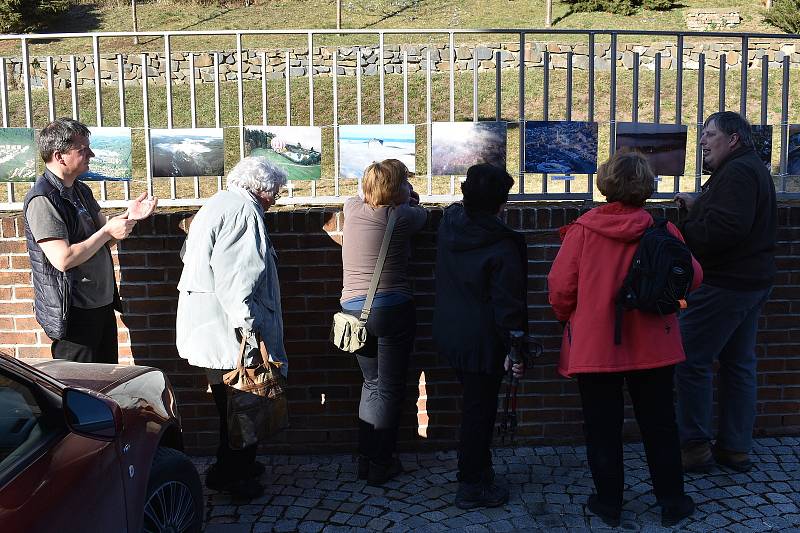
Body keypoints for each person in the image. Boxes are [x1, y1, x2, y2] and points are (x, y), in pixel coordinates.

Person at [548, 152, 702, 527]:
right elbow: (693, 276)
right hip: (654, 343)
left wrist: (570, 317)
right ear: (647, 186)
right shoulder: (662, 229)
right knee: (660, 425)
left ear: (605, 184)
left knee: (602, 428)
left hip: (597, 344)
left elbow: (560, 288)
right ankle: (672, 501)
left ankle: (608, 503)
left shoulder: (584, 230)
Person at [176, 156, 288, 499]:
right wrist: (251, 333)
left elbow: (188, 255)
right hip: (230, 331)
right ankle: (234, 475)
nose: (276, 200)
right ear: (262, 190)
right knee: (243, 403)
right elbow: (237, 282)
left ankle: (229, 467)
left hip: (210, 324)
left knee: (229, 405)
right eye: (276, 193)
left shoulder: (218, 202)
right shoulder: (243, 213)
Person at [674, 111, 777, 473]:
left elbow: (726, 230)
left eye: (709, 134)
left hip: (726, 283)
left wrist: (684, 229)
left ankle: (694, 448)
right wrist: (703, 205)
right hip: (751, 281)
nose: (702, 141)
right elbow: (735, 220)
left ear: (733, 139)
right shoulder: (748, 168)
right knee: (738, 365)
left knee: (690, 360)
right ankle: (735, 448)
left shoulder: (736, 173)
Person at [23, 118, 157, 363]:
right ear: (59, 156)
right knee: (81, 389)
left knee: (105, 384)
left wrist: (130, 217)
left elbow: (104, 239)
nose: (91, 154)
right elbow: (63, 259)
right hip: (74, 313)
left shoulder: (81, 190)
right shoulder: (43, 200)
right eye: (83, 150)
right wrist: (107, 232)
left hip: (100, 306)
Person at [433, 164, 526, 510]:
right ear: (502, 203)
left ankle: (479, 470)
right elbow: (507, 304)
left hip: (451, 332)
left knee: (476, 407)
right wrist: (514, 346)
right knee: (479, 412)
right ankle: (471, 482)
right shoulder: (501, 245)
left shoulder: (450, 223)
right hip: (484, 341)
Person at [340, 158, 427, 486]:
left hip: (352, 312)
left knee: (371, 383)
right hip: (391, 309)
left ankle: (365, 456)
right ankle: (381, 462)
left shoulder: (351, 209)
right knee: (389, 388)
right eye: (405, 181)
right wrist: (410, 196)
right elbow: (423, 212)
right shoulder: (404, 216)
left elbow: (354, 197)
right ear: (397, 188)